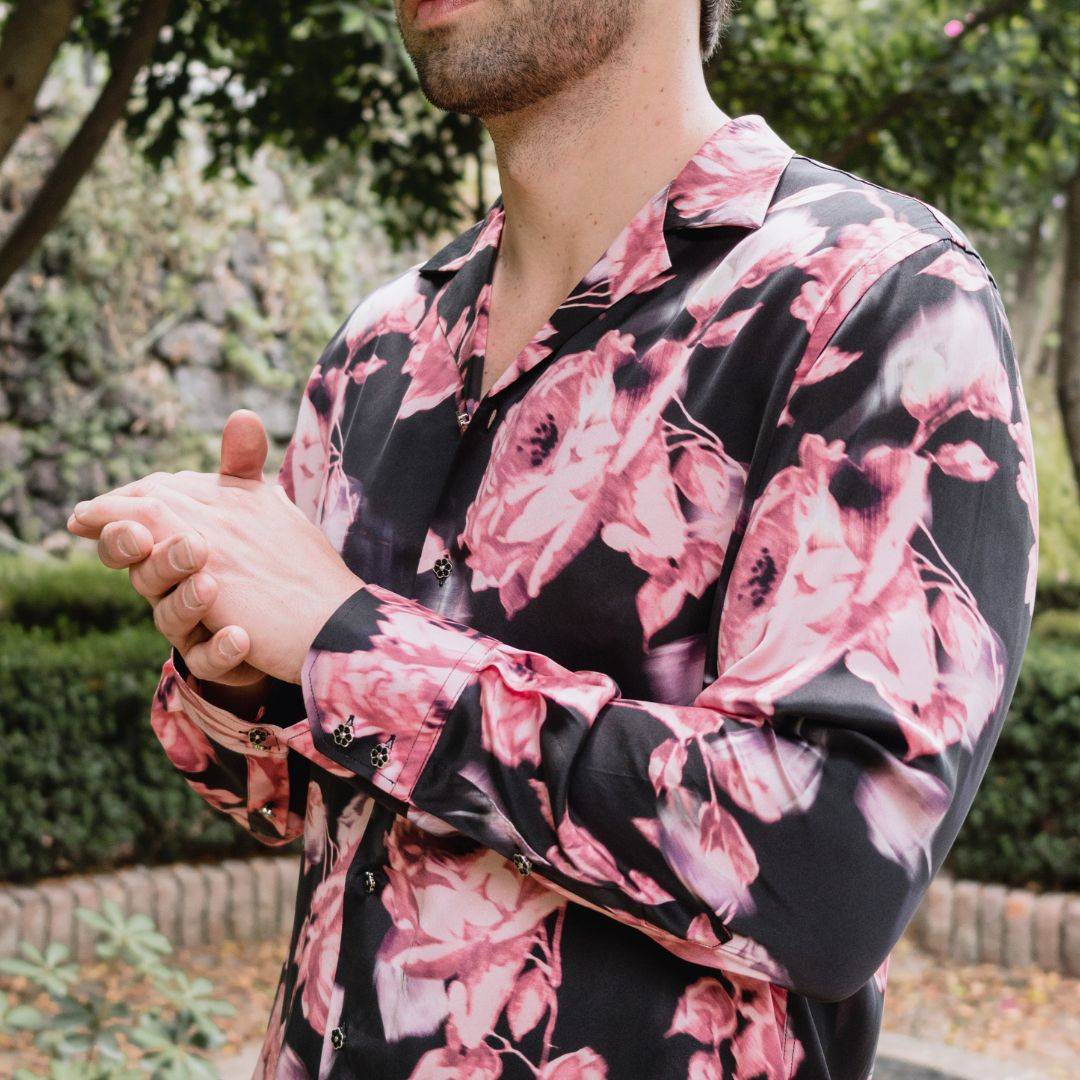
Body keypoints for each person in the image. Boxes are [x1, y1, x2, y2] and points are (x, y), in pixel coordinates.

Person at [67, 0, 1039, 1076]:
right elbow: (295, 804)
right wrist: (244, 669)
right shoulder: (386, 342)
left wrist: (352, 646)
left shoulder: (877, 299)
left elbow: (833, 876)